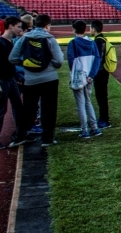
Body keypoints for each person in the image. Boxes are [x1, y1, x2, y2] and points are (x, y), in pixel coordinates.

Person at [9, 14, 64, 148]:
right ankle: (47, 138)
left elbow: (13, 58)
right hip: (49, 78)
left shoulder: (24, 38)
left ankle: (21, 135)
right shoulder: (50, 39)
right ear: (47, 25)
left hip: (30, 79)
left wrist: (26, 64)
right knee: (49, 109)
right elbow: (59, 61)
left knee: (28, 109)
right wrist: (49, 65)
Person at [66, 20, 103, 139]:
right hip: (89, 78)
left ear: (73, 29)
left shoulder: (73, 43)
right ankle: (95, 128)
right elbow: (97, 59)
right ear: (85, 29)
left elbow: (71, 61)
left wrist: (78, 75)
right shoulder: (92, 43)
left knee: (80, 104)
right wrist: (91, 75)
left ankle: (85, 130)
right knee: (88, 101)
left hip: (79, 77)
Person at [0, 17, 24, 148]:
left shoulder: (11, 42)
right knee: (1, 109)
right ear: (10, 26)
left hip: (11, 79)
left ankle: (20, 133)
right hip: (3, 80)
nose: (20, 29)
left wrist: (16, 77)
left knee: (18, 106)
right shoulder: (1, 43)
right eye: (18, 26)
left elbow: (11, 64)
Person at [90, 20, 112, 129]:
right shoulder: (103, 39)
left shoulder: (98, 41)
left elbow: (98, 58)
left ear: (94, 28)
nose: (90, 30)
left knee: (101, 96)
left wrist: (94, 72)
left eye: (90, 28)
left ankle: (104, 119)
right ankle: (104, 118)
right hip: (104, 71)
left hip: (100, 72)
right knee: (102, 96)